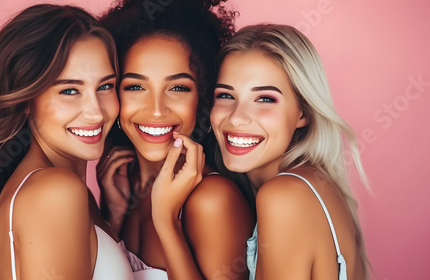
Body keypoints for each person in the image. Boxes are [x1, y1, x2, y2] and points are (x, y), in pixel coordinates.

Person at [0, 4, 134, 280]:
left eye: (105, 86)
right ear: (27, 100)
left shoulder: (60, 188)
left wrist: (113, 219)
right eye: (70, 90)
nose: (96, 111)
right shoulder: (55, 191)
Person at [96, 0, 254, 279]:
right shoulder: (125, 183)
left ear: (202, 98)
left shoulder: (212, 200)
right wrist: (113, 219)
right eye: (135, 86)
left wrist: (166, 222)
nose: (156, 109)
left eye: (178, 87)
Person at [209, 23, 371, 279]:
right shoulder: (310, 184)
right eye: (226, 95)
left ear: (303, 113)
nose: (237, 118)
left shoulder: (285, 196)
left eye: (264, 99)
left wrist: (167, 224)